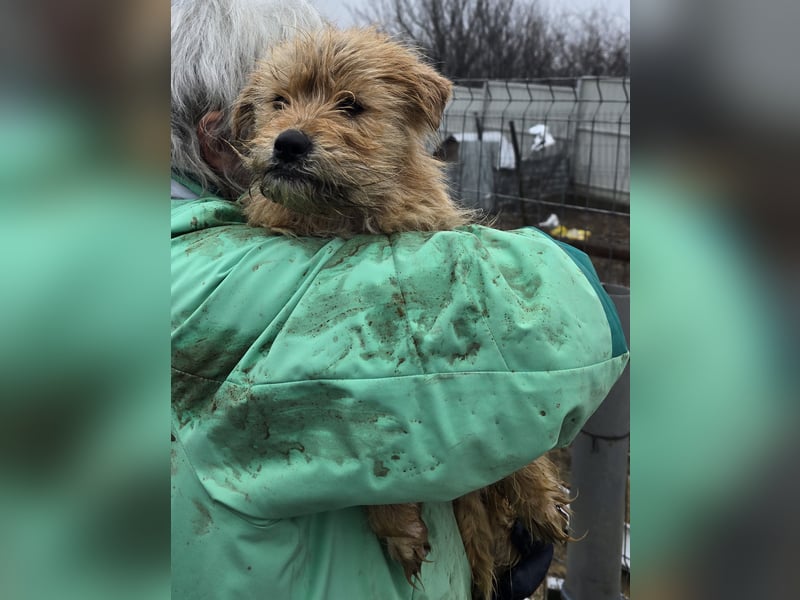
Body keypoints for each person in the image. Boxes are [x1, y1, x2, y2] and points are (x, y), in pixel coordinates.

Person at [170, 1, 629, 598]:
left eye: (351, 107)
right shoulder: (233, 266)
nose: (295, 128)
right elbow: (531, 335)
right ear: (221, 135)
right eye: (275, 104)